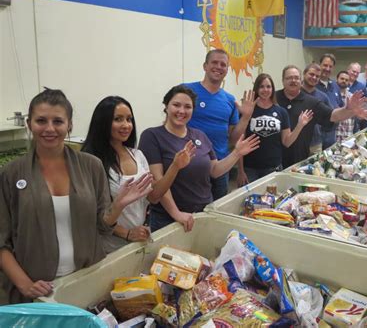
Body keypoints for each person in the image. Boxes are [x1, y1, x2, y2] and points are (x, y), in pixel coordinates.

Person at [0, 88, 152, 303]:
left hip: (87, 278)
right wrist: (25, 284)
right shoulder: (11, 174)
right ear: (29, 124)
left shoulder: (90, 166)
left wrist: (117, 206)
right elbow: (2, 240)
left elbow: (102, 225)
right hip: (38, 287)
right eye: (41, 120)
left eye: (58, 121)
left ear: (69, 124)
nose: (49, 128)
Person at [139, 85, 259, 232]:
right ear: (166, 107)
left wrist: (236, 153)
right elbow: (157, 186)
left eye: (187, 107)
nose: (182, 111)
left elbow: (214, 170)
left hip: (203, 212)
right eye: (176, 105)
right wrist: (177, 214)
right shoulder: (152, 136)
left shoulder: (199, 135)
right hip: (171, 219)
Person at [82, 96, 195, 253]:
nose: (126, 125)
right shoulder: (92, 161)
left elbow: (154, 196)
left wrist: (175, 166)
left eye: (129, 119)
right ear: (103, 122)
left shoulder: (137, 155)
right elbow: (93, 215)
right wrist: (127, 233)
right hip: (107, 247)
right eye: (118, 119)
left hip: (137, 243)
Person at [184, 49, 256, 201]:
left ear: (227, 69)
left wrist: (246, 117)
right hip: (190, 165)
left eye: (223, 64)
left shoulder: (229, 100)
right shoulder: (187, 91)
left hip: (221, 166)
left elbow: (233, 138)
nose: (218, 67)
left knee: (216, 212)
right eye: (214, 62)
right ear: (205, 66)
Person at [276, 65, 367, 168]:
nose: (293, 80)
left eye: (296, 78)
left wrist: (348, 110)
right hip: (273, 159)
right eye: (289, 78)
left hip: (298, 159)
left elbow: (333, 116)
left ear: (300, 79)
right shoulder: (273, 98)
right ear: (283, 80)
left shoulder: (311, 102)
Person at [237, 74, 313, 185]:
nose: (265, 90)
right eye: (261, 86)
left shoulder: (281, 112)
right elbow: (239, 142)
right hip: (250, 169)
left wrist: (300, 125)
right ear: (256, 89)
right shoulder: (248, 110)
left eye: (268, 87)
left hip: (273, 168)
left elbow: (287, 142)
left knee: (272, 200)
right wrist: (240, 170)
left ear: (272, 89)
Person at [316, 54, 344, 149]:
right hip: (315, 135)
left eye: (330, 66)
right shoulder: (312, 84)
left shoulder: (335, 86)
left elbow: (340, 105)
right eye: (325, 65)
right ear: (319, 65)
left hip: (332, 134)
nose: (327, 69)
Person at [301, 63, 330, 152]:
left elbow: (330, 117)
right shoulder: (295, 93)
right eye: (311, 74)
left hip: (316, 144)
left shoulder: (323, 97)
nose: (314, 78)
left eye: (317, 76)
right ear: (304, 73)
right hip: (297, 143)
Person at [335, 71, 355, 142]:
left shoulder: (352, 97)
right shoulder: (331, 95)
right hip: (335, 134)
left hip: (348, 135)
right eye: (342, 78)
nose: (344, 81)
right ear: (337, 79)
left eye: (346, 80)